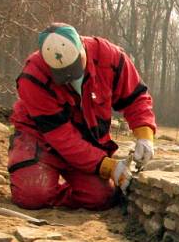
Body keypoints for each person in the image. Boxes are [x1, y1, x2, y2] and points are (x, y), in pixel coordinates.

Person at [8, 23, 157, 210]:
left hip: (87, 139)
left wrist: (145, 136)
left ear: (82, 48)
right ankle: (41, 184)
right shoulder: (34, 77)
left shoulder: (110, 58)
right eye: (63, 75)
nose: (71, 77)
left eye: (75, 68)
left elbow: (136, 98)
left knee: (101, 198)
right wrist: (108, 166)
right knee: (33, 195)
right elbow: (61, 137)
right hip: (39, 137)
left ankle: (61, 190)